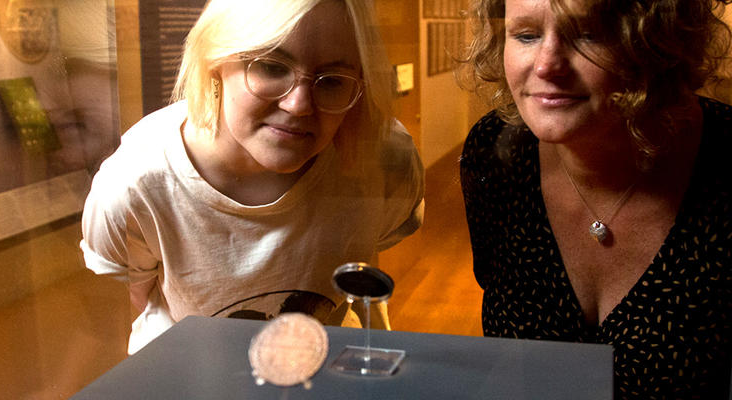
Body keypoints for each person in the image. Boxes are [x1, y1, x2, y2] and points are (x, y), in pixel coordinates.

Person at [80, 0, 424, 354]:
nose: (299, 104)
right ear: (217, 62)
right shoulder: (137, 180)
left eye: (332, 80)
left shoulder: (384, 158)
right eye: (272, 67)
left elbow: (366, 256)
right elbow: (132, 293)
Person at [459, 0, 731, 397]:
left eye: (588, 34)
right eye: (527, 35)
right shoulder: (495, 152)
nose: (547, 65)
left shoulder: (724, 160)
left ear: (659, 41)